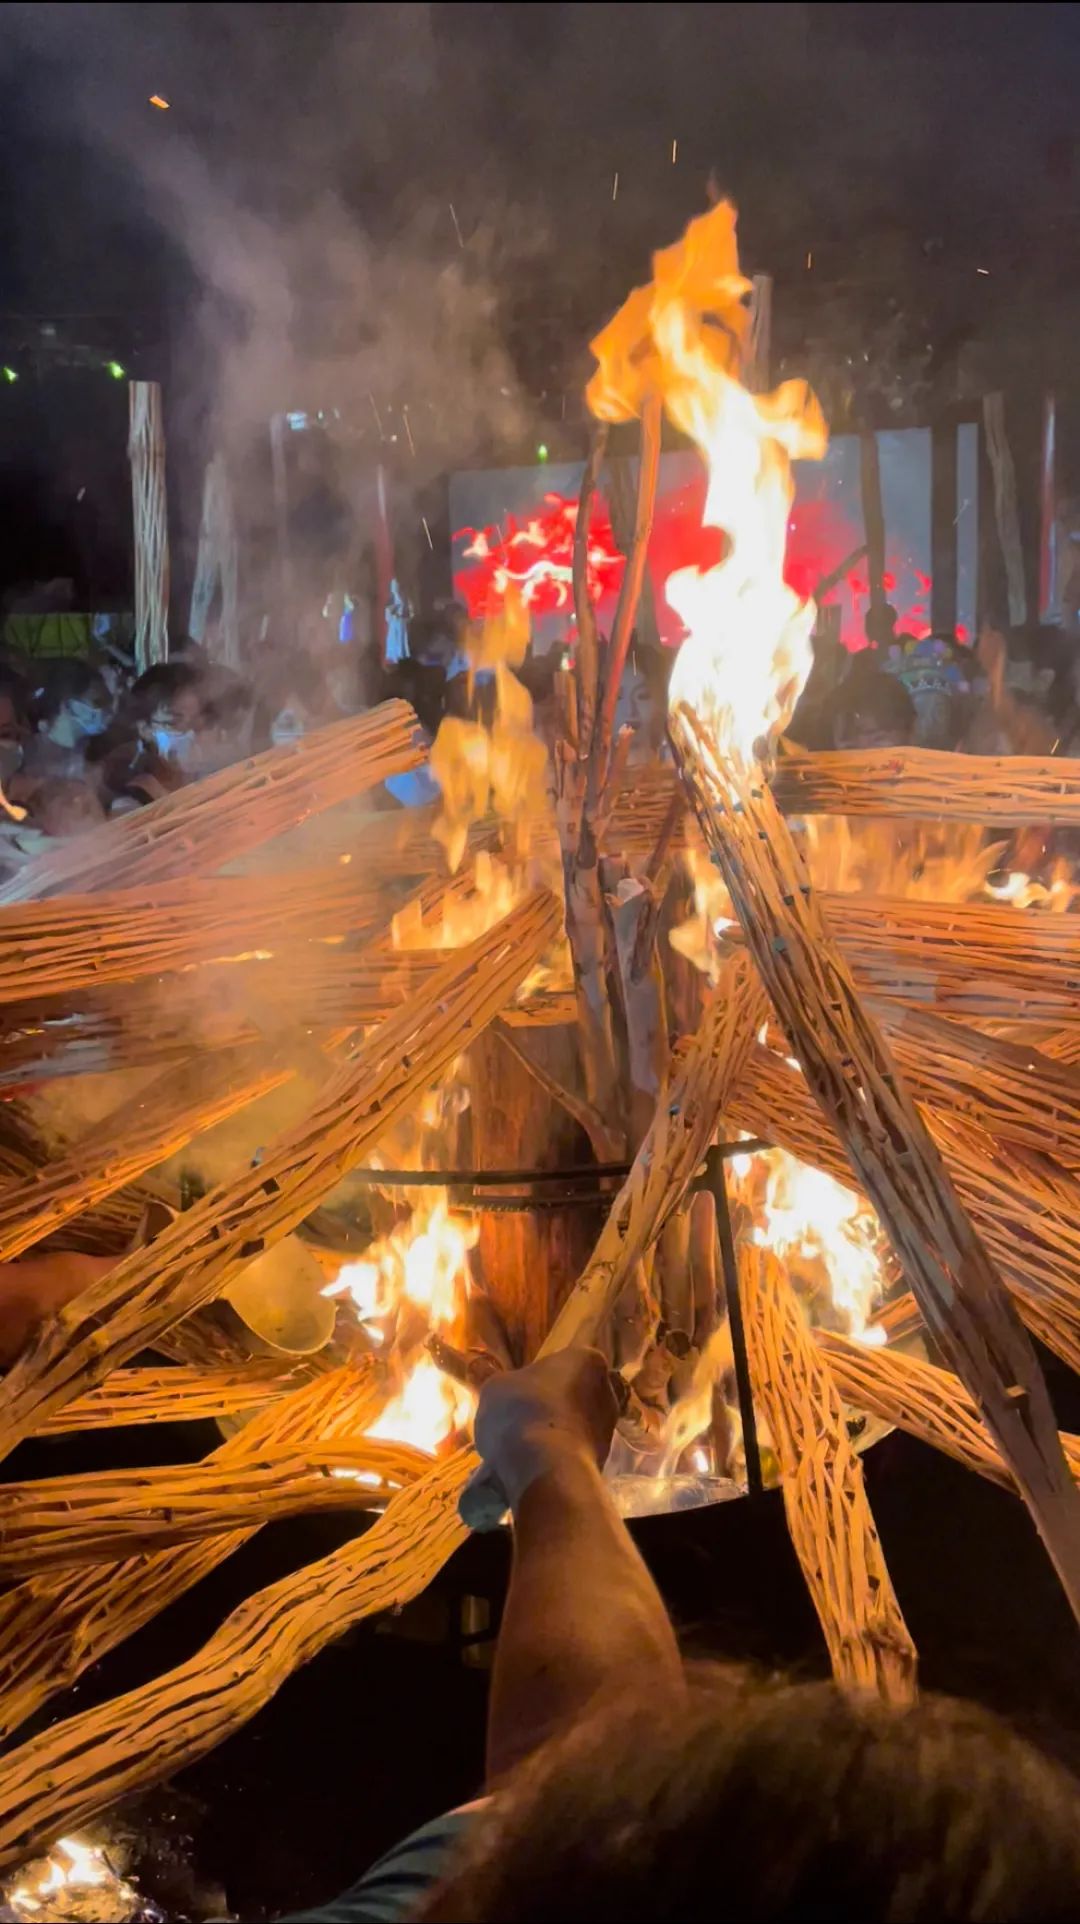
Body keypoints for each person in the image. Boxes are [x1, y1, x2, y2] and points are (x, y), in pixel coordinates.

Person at [289, 1349, 1080, 1923]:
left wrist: (546, 1454)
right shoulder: (560, 1863)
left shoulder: (522, 1881)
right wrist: (549, 1455)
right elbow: (577, 1765)